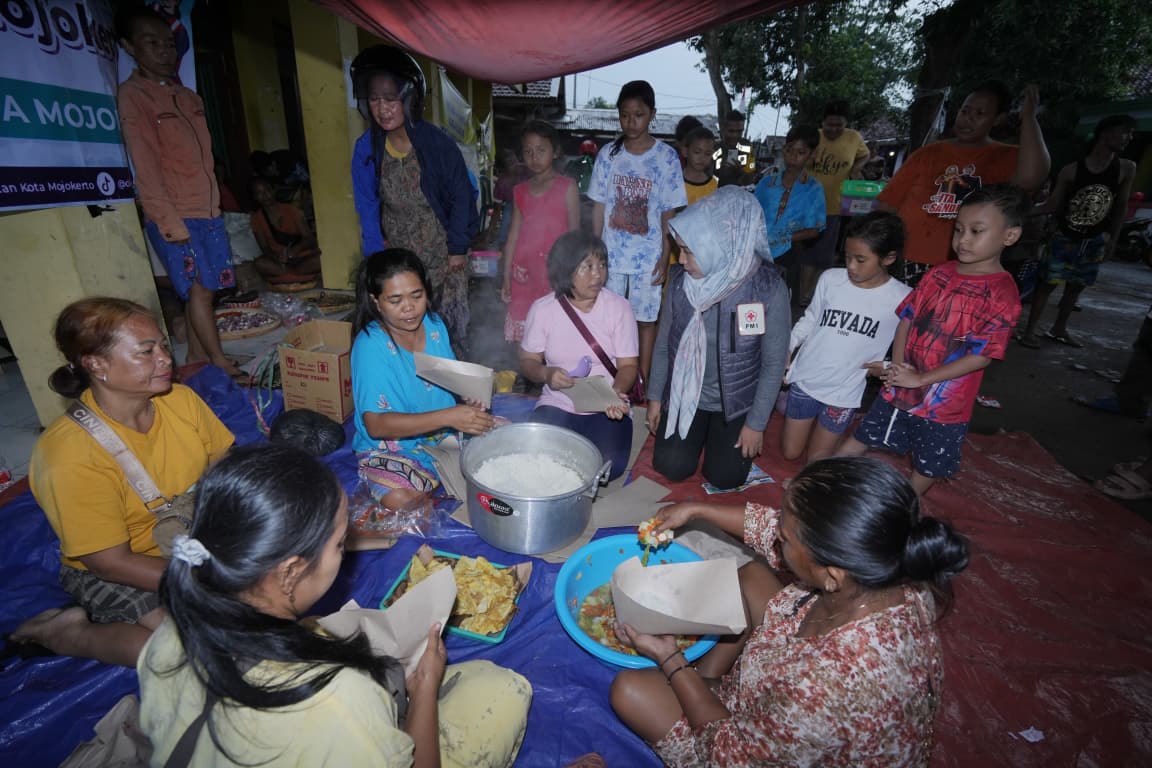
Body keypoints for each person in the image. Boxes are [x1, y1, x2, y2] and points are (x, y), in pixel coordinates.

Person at [138, 443, 531, 766]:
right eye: (341, 543)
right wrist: (425, 689)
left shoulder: (170, 635)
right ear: (290, 572)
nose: (348, 553)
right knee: (503, 690)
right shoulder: (337, 697)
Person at [610, 456, 969, 766]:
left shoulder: (827, 686)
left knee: (629, 691)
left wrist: (669, 657)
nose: (776, 536)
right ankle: (706, 684)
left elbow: (733, 757)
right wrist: (697, 508)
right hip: (779, 704)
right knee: (752, 574)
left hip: (752, 748)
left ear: (831, 574)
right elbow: (775, 530)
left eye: (786, 538)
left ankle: (699, 687)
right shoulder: (892, 569)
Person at [11, 298, 234, 667]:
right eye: (146, 352)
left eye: (163, 345)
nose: (165, 358)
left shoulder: (181, 402)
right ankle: (64, 632)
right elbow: (109, 563)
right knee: (180, 655)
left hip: (187, 536)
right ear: (96, 364)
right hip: (120, 567)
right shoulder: (69, 454)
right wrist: (206, 578)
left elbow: (222, 461)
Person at [837, 184, 1025, 496]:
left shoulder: (1003, 295)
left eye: (976, 231)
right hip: (901, 385)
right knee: (862, 435)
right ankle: (819, 481)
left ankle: (905, 508)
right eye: (959, 229)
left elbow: (982, 356)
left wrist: (921, 379)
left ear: (1010, 236)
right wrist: (897, 368)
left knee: (927, 467)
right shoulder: (939, 274)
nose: (962, 240)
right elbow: (907, 318)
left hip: (944, 408)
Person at [115, 7, 245, 379]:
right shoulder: (134, 96)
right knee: (199, 290)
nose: (163, 51)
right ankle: (219, 363)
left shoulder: (189, 98)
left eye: (168, 43)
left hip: (208, 211)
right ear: (129, 47)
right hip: (175, 214)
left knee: (208, 290)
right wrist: (170, 224)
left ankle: (194, 361)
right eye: (151, 43)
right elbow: (146, 166)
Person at [647, 187, 790, 490]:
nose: (681, 260)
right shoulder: (680, 284)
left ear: (720, 244)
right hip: (688, 393)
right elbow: (662, 345)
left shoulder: (766, 289)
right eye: (679, 249)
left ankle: (723, 442)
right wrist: (656, 398)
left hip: (736, 404)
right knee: (671, 466)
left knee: (725, 477)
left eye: (688, 250)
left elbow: (774, 363)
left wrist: (755, 424)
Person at [351, 45, 479, 355]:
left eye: (391, 99)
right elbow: (366, 204)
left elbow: (463, 196)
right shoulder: (365, 148)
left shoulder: (437, 144)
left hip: (443, 251)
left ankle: (454, 393)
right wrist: (373, 255)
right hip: (399, 252)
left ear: (409, 98)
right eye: (375, 99)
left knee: (448, 329)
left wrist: (458, 248)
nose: (383, 108)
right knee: (403, 325)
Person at [877, 82, 1049, 286]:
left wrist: (1028, 118)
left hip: (964, 268)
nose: (968, 118)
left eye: (979, 113)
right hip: (907, 259)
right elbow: (887, 206)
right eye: (965, 110)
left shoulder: (1006, 157)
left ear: (998, 119)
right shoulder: (928, 153)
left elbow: (1032, 178)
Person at [781, 212, 912, 462]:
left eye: (860, 259)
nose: (851, 266)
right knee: (790, 453)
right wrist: (788, 346)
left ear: (889, 258)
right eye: (848, 256)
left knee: (816, 462)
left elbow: (909, 347)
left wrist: (887, 367)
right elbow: (810, 318)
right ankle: (787, 401)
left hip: (845, 392)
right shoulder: (831, 279)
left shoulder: (903, 297)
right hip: (807, 379)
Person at [350, 249, 494, 465]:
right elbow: (376, 424)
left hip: (440, 435)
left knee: (505, 445)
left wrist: (469, 394)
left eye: (417, 295)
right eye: (395, 300)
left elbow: (449, 376)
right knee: (401, 497)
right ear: (376, 302)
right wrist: (450, 416)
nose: (409, 307)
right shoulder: (370, 346)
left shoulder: (433, 325)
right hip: (391, 448)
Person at [519, 231, 639, 481]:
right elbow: (528, 361)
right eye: (588, 267)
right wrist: (546, 373)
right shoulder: (543, 310)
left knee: (609, 468)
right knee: (536, 457)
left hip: (605, 405)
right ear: (565, 269)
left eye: (602, 265)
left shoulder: (619, 308)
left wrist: (615, 395)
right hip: (558, 402)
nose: (598, 274)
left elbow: (628, 366)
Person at [589, 80, 687, 382]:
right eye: (625, 115)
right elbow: (599, 206)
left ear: (652, 114)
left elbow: (668, 212)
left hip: (648, 256)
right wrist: (595, 251)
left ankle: (640, 382)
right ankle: (608, 376)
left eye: (639, 115)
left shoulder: (666, 157)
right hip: (612, 255)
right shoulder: (609, 154)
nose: (631, 122)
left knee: (645, 321)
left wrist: (665, 255)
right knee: (609, 318)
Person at [1017, 114, 1137, 348]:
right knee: (1047, 284)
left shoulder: (1125, 169)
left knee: (1076, 287)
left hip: (1093, 239)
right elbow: (1053, 204)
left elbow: (1121, 205)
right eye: (1125, 131)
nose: (1129, 138)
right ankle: (1029, 331)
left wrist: (1113, 237)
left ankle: (1059, 328)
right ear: (1106, 133)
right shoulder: (1072, 170)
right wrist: (1018, 211)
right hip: (1064, 236)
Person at [501, 120, 580, 343]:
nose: (534, 157)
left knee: (556, 332)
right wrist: (506, 276)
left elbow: (574, 234)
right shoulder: (520, 191)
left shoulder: (568, 186)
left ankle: (551, 376)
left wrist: (573, 273)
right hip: (524, 273)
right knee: (526, 335)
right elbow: (513, 236)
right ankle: (529, 376)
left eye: (541, 150)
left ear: (555, 152)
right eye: (528, 151)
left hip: (557, 272)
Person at [803, 100, 871, 301]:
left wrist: (856, 169)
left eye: (839, 125)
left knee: (824, 255)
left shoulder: (854, 138)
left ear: (846, 123)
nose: (834, 129)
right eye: (829, 124)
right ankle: (802, 294)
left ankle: (812, 293)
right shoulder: (814, 137)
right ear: (822, 123)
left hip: (834, 205)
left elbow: (865, 155)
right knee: (806, 252)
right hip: (807, 205)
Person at [752, 124, 826, 266]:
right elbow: (752, 214)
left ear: (812, 155)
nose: (793, 157)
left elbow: (814, 230)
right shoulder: (766, 183)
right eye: (789, 150)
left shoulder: (813, 189)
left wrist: (784, 238)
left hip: (790, 253)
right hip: (758, 250)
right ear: (784, 150)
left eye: (801, 152)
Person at [249, 176, 322, 279]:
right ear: (255, 197)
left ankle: (290, 275)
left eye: (268, 190)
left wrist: (295, 250)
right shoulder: (256, 219)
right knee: (259, 263)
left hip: (302, 257)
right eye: (259, 193)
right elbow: (264, 248)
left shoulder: (291, 210)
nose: (265, 195)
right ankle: (297, 274)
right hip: (280, 263)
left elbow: (310, 239)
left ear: (273, 190)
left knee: (320, 260)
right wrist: (277, 257)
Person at [714, 110, 756, 188]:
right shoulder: (713, 148)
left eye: (739, 131)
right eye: (731, 131)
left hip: (738, 195)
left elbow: (750, 180)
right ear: (723, 129)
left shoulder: (747, 148)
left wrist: (740, 172)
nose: (735, 135)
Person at [681, 127, 718, 207]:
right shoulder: (674, 181)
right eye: (697, 152)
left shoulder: (713, 184)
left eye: (707, 154)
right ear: (685, 151)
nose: (702, 158)